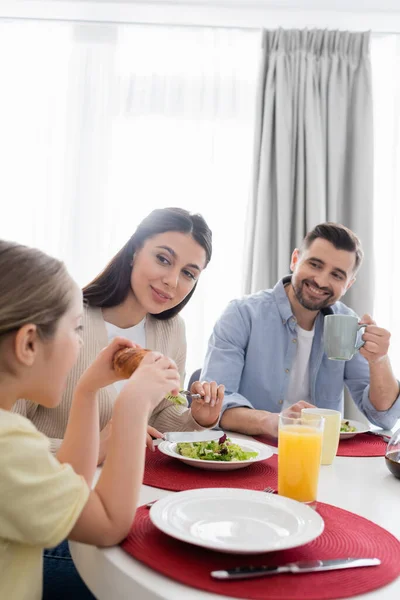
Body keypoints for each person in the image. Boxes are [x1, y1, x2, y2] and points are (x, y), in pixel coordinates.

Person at [0, 239, 182, 600]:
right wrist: (132, 407)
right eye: (76, 329)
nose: (81, 344)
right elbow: (109, 526)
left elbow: (74, 485)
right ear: (29, 344)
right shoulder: (9, 444)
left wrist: (87, 390)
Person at [13, 208, 224, 461]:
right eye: (163, 259)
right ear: (135, 251)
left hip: (127, 482)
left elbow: (160, 414)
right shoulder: (60, 319)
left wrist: (197, 418)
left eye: (188, 273)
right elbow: (8, 435)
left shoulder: (173, 329)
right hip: (50, 485)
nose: (172, 281)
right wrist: (93, 448)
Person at [201, 222, 400, 437]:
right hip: (252, 450)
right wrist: (273, 422)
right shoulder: (241, 315)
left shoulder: (348, 324)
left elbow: (385, 418)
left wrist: (379, 360)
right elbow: (217, 406)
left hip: (321, 457)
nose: (321, 280)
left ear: (349, 284)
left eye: (337, 275)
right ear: (295, 260)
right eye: (315, 264)